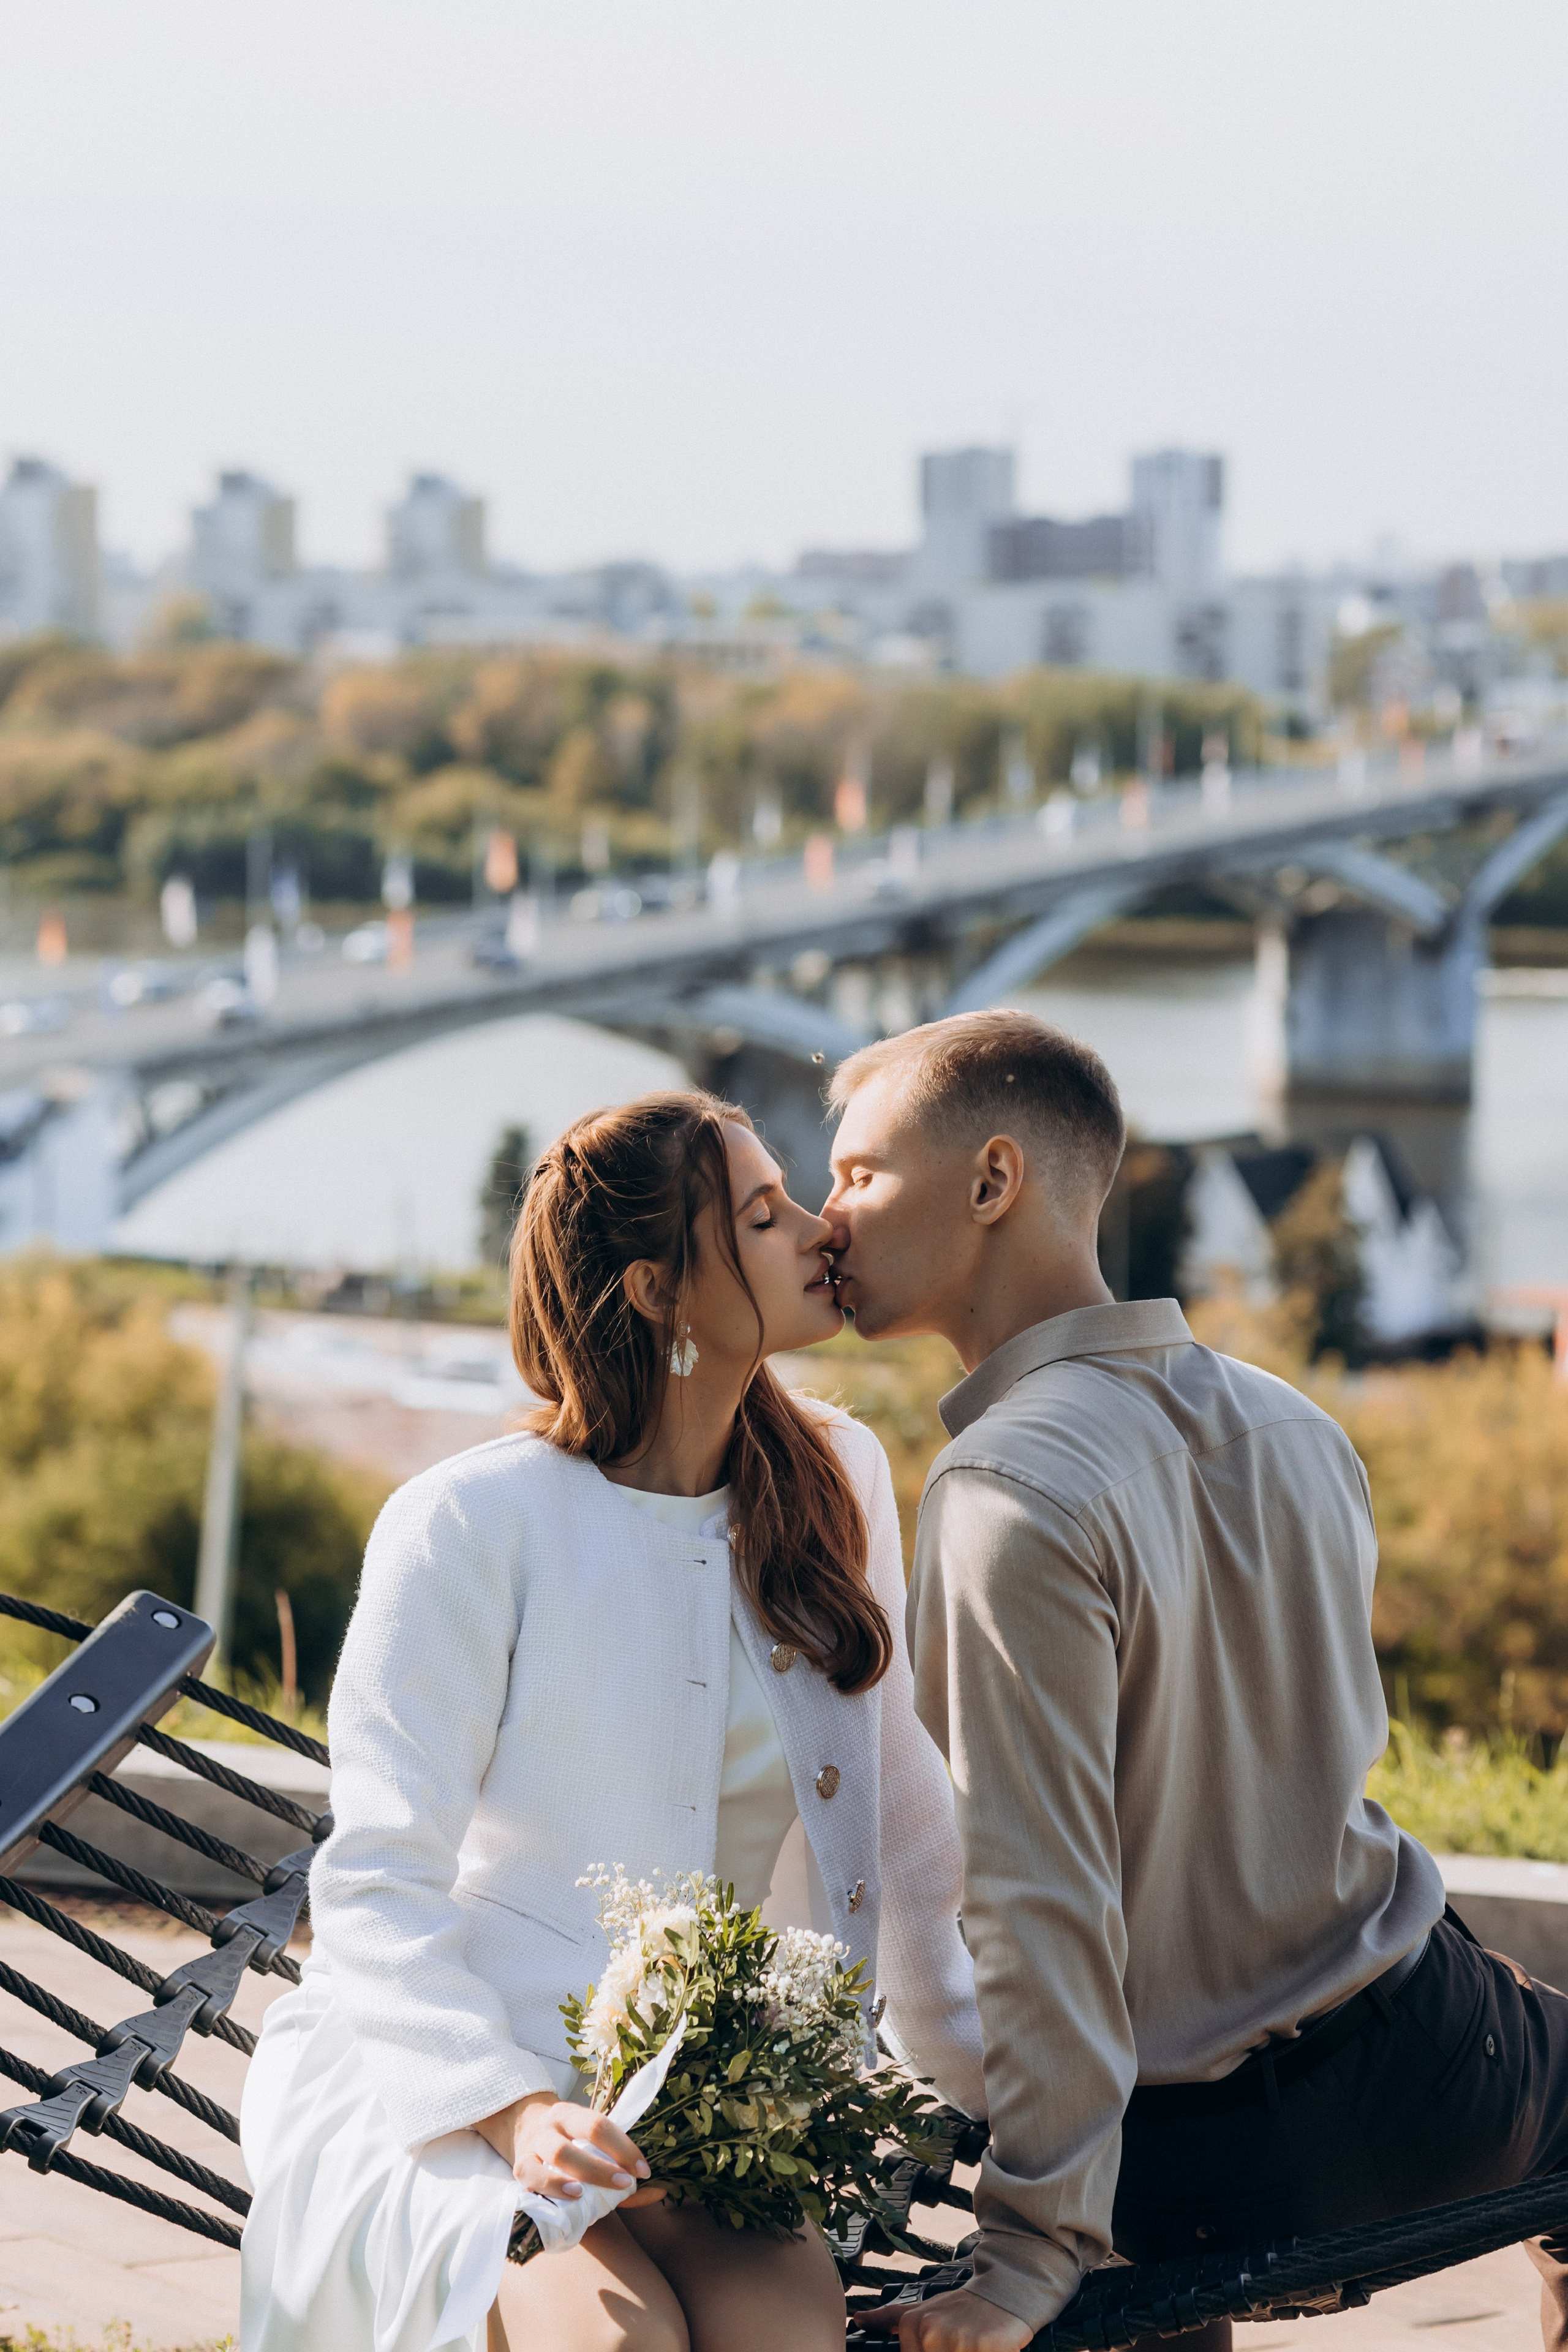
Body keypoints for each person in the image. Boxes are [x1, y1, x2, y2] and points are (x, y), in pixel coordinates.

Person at [822, 1008, 1568, 2352]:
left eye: (858, 1174)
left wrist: (1024, 2251)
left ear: (991, 1184)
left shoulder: (1002, 1490)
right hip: (1439, 2073)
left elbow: (1037, 1903)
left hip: (1215, 2162)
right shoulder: (1296, 1419)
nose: (827, 1219)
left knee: (1118, 2256)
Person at [239, 1089, 984, 2352]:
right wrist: (517, 2111)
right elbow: (376, 1880)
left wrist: (1018, 2125)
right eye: (763, 1215)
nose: (819, 1231)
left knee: (784, 2339)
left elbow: (904, 1824)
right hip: (458, 2077)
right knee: (615, 2343)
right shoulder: (471, 1523)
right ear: (656, 1291)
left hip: (698, 2100)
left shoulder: (839, 1478)